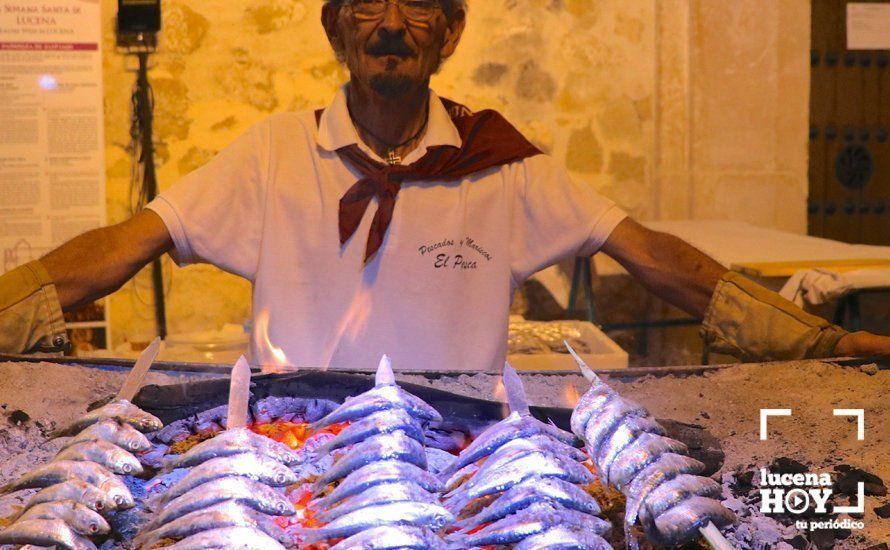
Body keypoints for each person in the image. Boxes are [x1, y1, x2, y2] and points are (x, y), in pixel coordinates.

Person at [1, 0, 887, 369]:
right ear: (337, 30)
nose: (390, 24)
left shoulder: (500, 163)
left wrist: (823, 347)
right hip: (298, 458)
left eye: (417, 4)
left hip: (460, 472)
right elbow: (119, 250)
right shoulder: (271, 155)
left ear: (450, 33)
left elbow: (656, 260)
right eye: (367, 6)